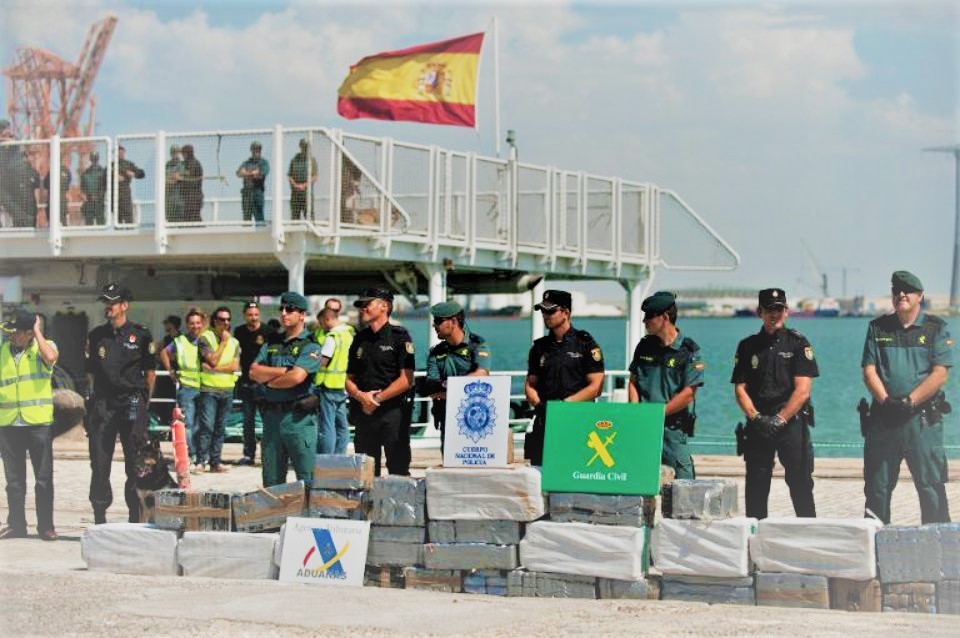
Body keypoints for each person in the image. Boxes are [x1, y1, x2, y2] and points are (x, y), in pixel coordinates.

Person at [861, 271, 954, 524]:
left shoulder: (936, 328)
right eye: (896, 290)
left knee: (931, 486)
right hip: (884, 420)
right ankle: (875, 551)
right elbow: (869, 370)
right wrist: (886, 402)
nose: (901, 294)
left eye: (908, 290)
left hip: (922, 421)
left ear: (920, 296)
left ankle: (938, 553)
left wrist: (909, 402)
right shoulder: (877, 328)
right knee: (876, 488)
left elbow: (939, 374)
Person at [732, 288, 818, 520]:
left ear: (787, 312)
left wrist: (780, 419)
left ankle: (809, 537)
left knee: (800, 484)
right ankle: (755, 544)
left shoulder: (798, 343)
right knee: (757, 487)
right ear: (760, 312)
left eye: (779, 309)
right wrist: (756, 418)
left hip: (790, 424)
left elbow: (803, 391)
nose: (775, 314)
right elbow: (740, 389)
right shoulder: (747, 346)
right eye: (770, 309)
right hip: (759, 424)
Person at [85, 282, 156, 524]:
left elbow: (149, 373)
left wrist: (145, 401)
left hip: (132, 403)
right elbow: (92, 371)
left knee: (136, 463)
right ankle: (99, 517)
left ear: (124, 305)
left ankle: (134, 518)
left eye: (112, 302)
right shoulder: (96, 336)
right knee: (100, 462)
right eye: (106, 302)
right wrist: (94, 400)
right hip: (104, 404)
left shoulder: (142, 334)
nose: (108, 307)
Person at [523, 290, 605, 466]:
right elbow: (530, 384)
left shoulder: (585, 344)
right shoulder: (539, 347)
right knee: (540, 475)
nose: (545, 315)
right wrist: (540, 406)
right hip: (545, 422)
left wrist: (564, 406)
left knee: (576, 470)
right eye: (543, 311)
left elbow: (596, 386)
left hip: (577, 421)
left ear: (566, 313)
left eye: (550, 311)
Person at [628, 291, 704, 479]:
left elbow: (689, 393)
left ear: (665, 317)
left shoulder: (688, 350)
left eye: (649, 316)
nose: (644, 321)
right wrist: (636, 411)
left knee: (683, 485)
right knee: (640, 480)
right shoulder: (644, 346)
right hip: (644, 426)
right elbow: (633, 381)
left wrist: (659, 414)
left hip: (673, 430)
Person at [249, 292, 322, 487]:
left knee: (306, 478)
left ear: (302, 314)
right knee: (272, 481)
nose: (284, 313)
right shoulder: (272, 343)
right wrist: (283, 371)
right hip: (272, 419)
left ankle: (306, 517)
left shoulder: (310, 345)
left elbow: (297, 377)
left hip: (299, 420)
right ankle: (275, 518)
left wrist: (270, 381)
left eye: (289, 309)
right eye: (281, 309)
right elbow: (254, 372)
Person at [0, 308, 59, 541]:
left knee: (43, 479)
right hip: (8, 424)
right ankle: (16, 525)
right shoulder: (2, 351)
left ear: (28, 333)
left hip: (38, 424)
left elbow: (51, 358)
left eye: (16, 332)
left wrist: (37, 330)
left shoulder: (44, 347)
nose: (12, 336)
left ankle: (46, 526)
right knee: (14, 482)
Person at [346, 288, 415, 476]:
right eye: (361, 305)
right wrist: (361, 396)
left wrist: (376, 399)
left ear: (384, 306)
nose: (363, 309)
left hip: (393, 414)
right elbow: (349, 379)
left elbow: (406, 379)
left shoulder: (400, 337)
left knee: (398, 470)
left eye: (367, 304)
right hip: (364, 414)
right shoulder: (359, 339)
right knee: (365, 475)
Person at [420, 301, 491, 454]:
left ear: (453, 322)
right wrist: (459, 386)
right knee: (449, 462)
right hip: (447, 417)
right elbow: (431, 386)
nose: (434, 325)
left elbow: (481, 375)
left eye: (438, 321)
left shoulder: (476, 346)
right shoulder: (435, 352)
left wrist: (446, 386)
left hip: (474, 418)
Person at [194, 305, 239, 473]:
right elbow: (212, 360)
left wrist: (215, 367)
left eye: (228, 320)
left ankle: (215, 462)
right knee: (207, 427)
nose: (225, 322)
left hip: (227, 389)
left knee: (220, 428)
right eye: (221, 319)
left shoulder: (235, 342)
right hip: (209, 390)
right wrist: (223, 343)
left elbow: (234, 366)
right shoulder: (205, 338)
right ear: (214, 320)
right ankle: (201, 461)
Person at [158, 309, 206, 463]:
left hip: (206, 387)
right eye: (192, 323)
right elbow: (164, 352)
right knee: (188, 425)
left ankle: (202, 457)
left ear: (202, 324)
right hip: (187, 388)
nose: (195, 326)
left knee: (204, 425)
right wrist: (171, 371)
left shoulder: (207, 340)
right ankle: (191, 456)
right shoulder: (180, 341)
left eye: (198, 323)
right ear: (187, 325)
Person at [313, 307, 356, 454]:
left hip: (329, 385)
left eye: (321, 323)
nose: (322, 327)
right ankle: (340, 457)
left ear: (327, 319)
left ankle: (326, 459)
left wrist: (312, 359)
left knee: (327, 425)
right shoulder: (349, 333)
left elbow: (324, 361)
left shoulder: (332, 336)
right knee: (342, 425)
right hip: (343, 385)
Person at [233, 301, 269, 465]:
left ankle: (269, 453)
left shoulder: (268, 331)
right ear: (244, 315)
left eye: (255, 314)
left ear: (259, 315)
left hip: (264, 384)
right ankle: (249, 454)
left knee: (268, 421)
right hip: (246, 383)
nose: (253, 318)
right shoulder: (239, 331)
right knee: (248, 421)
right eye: (250, 315)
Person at [237, 141, 269, 224]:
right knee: (246, 219)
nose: (256, 151)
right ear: (251, 150)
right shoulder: (246, 163)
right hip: (246, 193)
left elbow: (261, 174)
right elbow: (239, 173)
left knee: (259, 218)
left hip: (257, 192)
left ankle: (261, 236)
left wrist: (246, 173)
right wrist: (253, 172)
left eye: (258, 149)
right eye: (254, 149)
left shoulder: (263, 163)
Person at [113, 145, 145, 225]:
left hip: (125, 193)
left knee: (128, 218)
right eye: (118, 152)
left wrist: (133, 174)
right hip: (114, 195)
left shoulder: (128, 164)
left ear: (124, 152)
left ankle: (129, 230)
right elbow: (104, 178)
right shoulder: (111, 165)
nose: (121, 154)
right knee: (117, 220)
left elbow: (142, 174)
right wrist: (114, 177)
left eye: (122, 152)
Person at [288, 138, 318, 220]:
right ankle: (294, 232)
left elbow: (315, 176)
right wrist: (296, 185)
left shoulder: (312, 160)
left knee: (309, 218)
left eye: (306, 147)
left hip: (307, 194)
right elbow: (290, 176)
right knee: (294, 218)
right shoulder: (294, 160)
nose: (305, 149)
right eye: (303, 147)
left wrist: (304, 185)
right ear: (300, 147)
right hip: (295, 194)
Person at [80, 151, 107, 226]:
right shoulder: (85, 173)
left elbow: (105, 186)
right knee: (89, 223)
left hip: (99, 201)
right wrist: (84, 196)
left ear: (98, 159)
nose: (94, 160)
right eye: (93, 158)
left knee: (101, 223)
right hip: (89, 201)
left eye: (96, 158)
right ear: (91, 159)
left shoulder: (103, 172)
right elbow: (82, 188)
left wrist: (99, 196)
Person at [42, 159, 71, 225]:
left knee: (53, 223)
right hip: (62, 201)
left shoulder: (52, 172)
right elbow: (67, 185)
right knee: (63, 224)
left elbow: (45, 185)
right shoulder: (66, 172)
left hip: (53, 202)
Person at [180, 144, 203, 222]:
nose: (182, 155)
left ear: (186, 153)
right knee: (191, 217)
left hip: (193, 197)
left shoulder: (193, 163)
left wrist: (180, 177)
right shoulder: (186, 164)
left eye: (183, 153)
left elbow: (191, 178)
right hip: (190, 196)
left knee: (193, 218)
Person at [164, 144, 184, 221]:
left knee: (181, 219)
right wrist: (172, 178)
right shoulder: (167, 165)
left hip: (180, 196)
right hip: (169, 197)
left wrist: (177, 177)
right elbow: (165, 177)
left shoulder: (183, 164)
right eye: (173, 152)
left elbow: (183, 177)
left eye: (177, 152)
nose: (175, 154)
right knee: (170, 219)